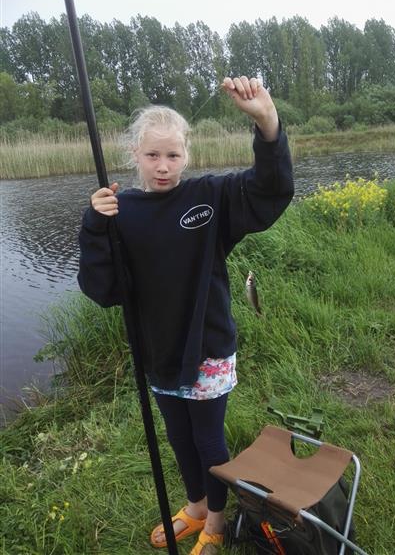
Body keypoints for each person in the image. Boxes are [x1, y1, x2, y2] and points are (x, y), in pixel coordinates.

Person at [78, 76, 294, 555]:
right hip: (159, 351)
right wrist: (94, 227)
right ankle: (196, 507)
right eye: (153, 155)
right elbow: (103, 290)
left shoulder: (210, 197)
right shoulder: (120, 211)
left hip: (209, 348)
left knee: (208, 441)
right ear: (134, 154)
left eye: (173, 155)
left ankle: (216, 521)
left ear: (187, 155)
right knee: (178, 436)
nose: (163, 166)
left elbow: (270, 192)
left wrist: (267, 123)